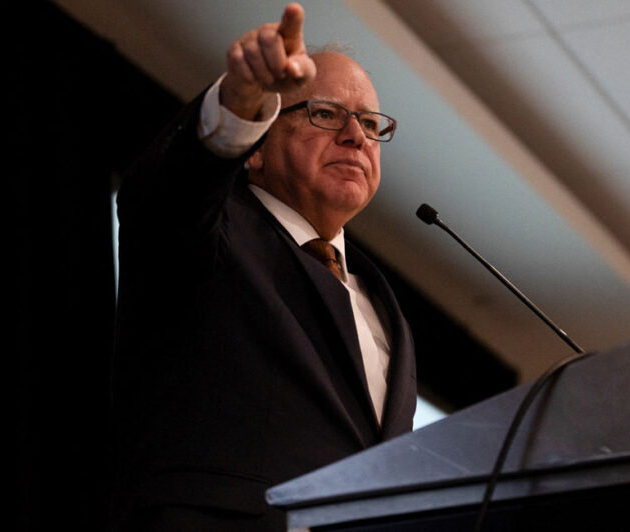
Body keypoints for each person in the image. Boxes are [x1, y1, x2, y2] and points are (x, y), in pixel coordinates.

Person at [110, 4, 417, 530]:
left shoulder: (384, 306)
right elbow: (160, 196)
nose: (356, 136)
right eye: (325, 114)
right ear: (256, 149)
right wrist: (238, 102)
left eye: (370, 123)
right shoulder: (212, 235)